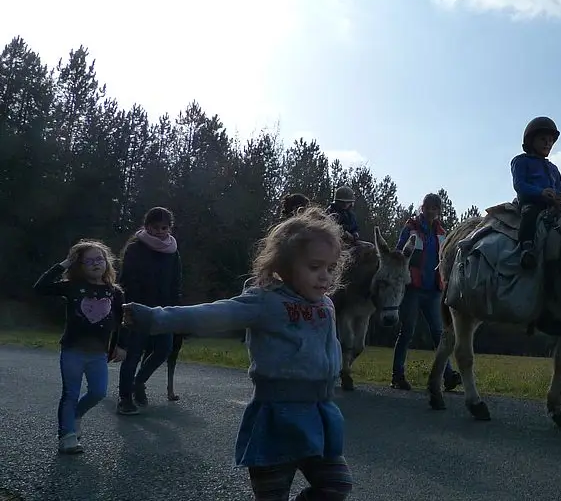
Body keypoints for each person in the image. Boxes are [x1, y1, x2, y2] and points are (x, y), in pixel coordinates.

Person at [121, 206, 354, 500]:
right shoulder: (265, 302)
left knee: (336, 485)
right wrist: (154, 318)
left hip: (319, 414)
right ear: (283, 265)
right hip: (276, 416)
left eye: (331, 268)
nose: (325, 277)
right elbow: (210, 315)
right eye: (314, 267)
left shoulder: (326, 306)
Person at [33, 239, 127, 454]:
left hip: (99, 353)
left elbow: (122, 322)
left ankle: (75, 415)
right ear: (80, 265)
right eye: (88, 261)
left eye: (99, 259)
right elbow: (40, 288)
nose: (95, 264)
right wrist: (64, 263)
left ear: (107, 263)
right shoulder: (73, 286)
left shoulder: (115, 292)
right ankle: (67, 435)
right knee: (70, 393)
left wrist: (120, 345)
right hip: (72, 350)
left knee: (98, 392)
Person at [390, 193, 462, 392]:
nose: (430, 211)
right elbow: (398, 253)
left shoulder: (442, 233)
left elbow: (446, 259)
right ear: (422, 208)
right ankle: (398, 375)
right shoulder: (411, 228)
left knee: (439, 334)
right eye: (427, 207)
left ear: (439, 210)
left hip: (433, 291)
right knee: (407, 331)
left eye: (434, 208)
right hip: (413, 288)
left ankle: (447, 375)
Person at [116, 206, 183, 414]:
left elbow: (176, 281)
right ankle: (124, 398)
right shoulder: (135, 248)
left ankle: (139, 382)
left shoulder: (172, 251)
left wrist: (174, 308)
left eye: (165, 228)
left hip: (164, 309)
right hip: (138, 307)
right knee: (133, 354)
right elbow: (126, 280)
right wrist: (132, 307)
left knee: (164, 349)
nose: (161, 232)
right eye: (156, 228)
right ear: (147, 226)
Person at [510, 116, 561, 270]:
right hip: (532, 202)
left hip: (553, 206)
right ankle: (527, 247)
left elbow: (560, 188)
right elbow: (520, 185)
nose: (547, 143)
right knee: (530, 213)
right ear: (530, 141)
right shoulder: (521, 161)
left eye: (550, 140)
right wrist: (540, 192)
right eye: (543, 139)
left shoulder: (553, 168)